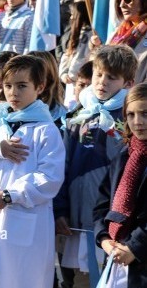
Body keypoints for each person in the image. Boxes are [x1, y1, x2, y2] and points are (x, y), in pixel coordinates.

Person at [0, 55, 66, 288]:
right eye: (8, 86)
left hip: (24, 220)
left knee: (21, 278)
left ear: (39, 87)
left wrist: (10, 195)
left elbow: (49, 178)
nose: (13, 93)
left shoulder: (46, 130)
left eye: (22, 86)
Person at [54, 46, 135, 285]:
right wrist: (60, 210)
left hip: (112, 224)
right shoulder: (77, 116)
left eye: (112, 77)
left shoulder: (131, 118)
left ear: (128, 82)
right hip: (77, 219)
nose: (102, 82)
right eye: (99, 74)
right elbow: (63, 166)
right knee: (79, 279)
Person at [94, 83, 147, 286]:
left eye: (145, 113)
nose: (138, 122)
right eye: (131, 114)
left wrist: (135, 247)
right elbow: (102, 203)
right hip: (118, 257)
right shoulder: (124, 155)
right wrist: (104, 238)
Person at [59, 0, 92, 88]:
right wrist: (63, 74)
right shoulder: (74, 33)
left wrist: (73, 75)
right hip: (69, 81)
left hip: (82, 82)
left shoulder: (91, 34)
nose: (71, 18)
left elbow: (83, 57)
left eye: (73, 14)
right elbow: (67, 54)